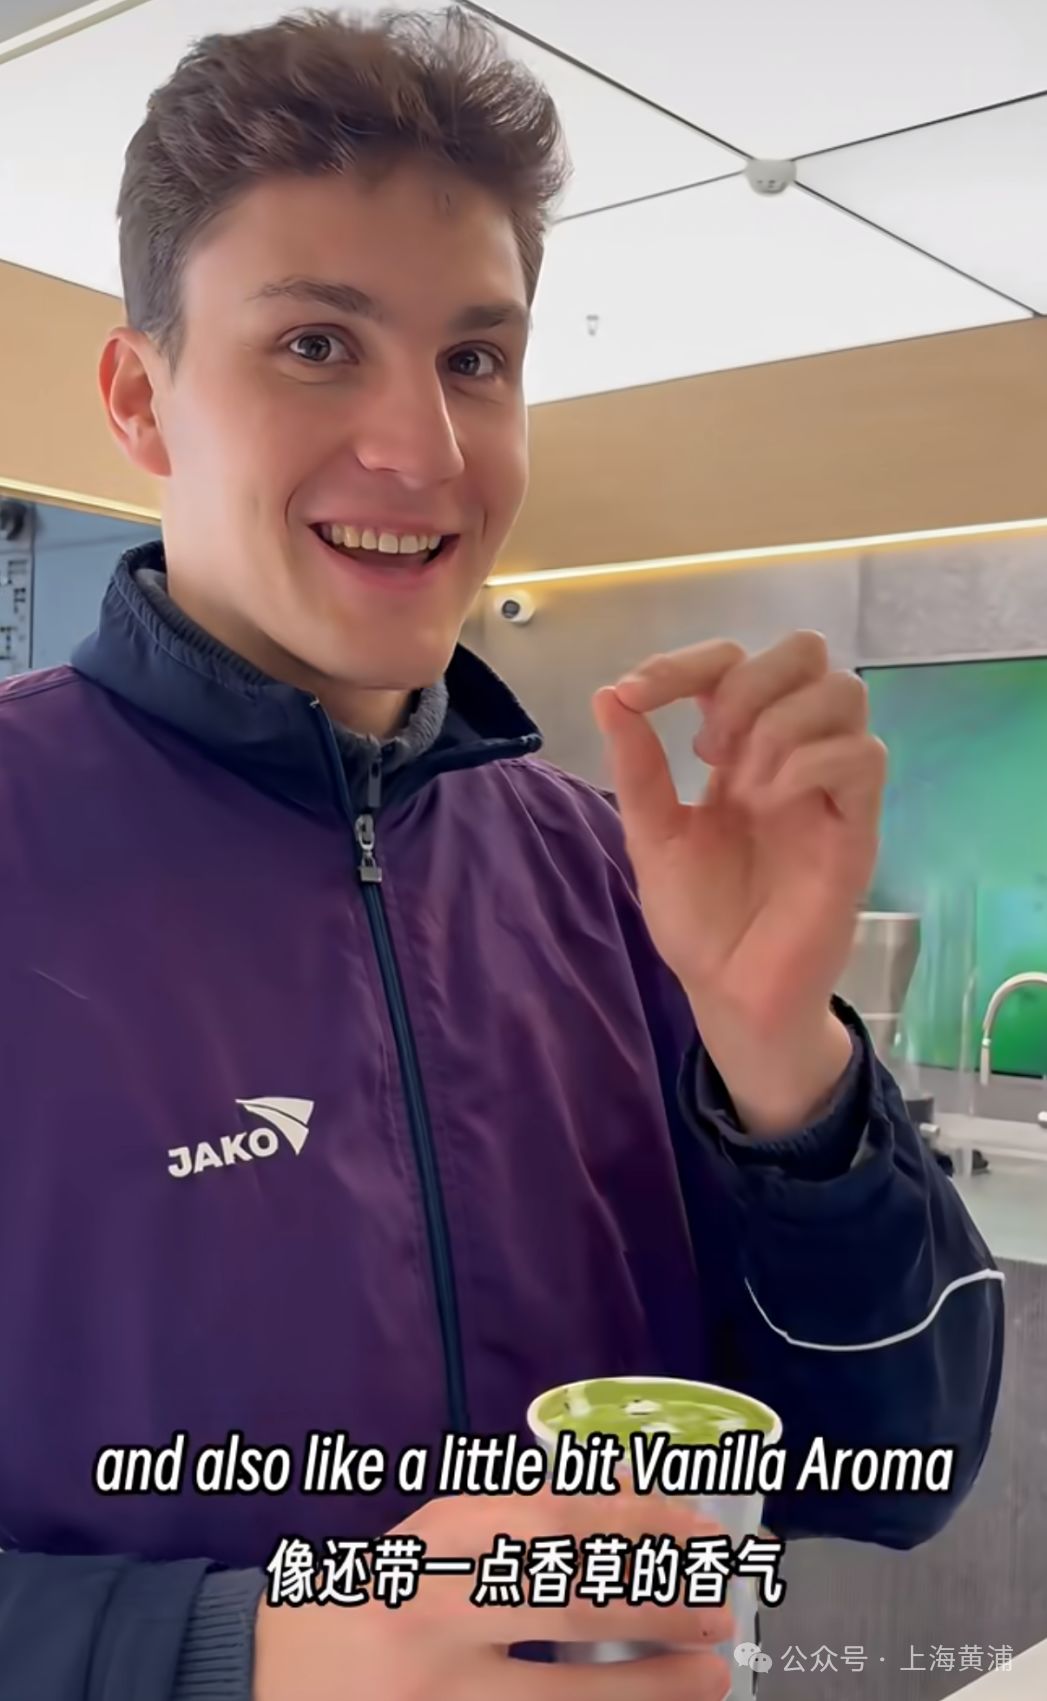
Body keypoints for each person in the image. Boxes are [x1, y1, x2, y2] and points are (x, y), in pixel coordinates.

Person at [0, 8, 1004, 1700]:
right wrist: (242, 1652)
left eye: (476, 360)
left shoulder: (610, 879)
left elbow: (894, 1464)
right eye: (317, 343)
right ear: (140, 396)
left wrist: (786, 1064)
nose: (427, 450)